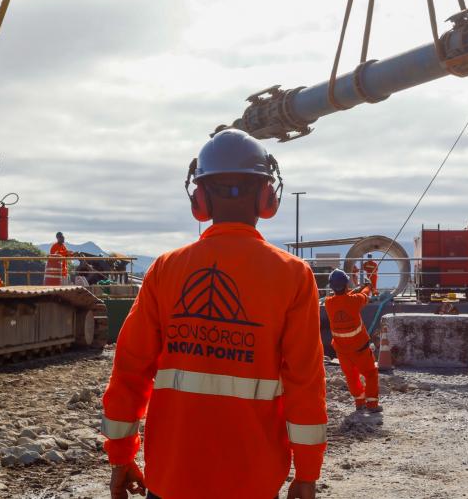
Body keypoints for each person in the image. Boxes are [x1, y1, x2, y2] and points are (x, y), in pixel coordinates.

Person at [101, 129, 327, 499]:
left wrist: (121, 456)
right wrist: (307, 472)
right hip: (253, 480)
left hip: (172, 476)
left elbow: (129, 372)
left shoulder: (164, 269)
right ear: (267, 198)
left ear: (200, 199)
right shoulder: (293, 275)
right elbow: (306, 382)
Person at [323, 269, 381, 413]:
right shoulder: (355, 300)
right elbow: (364, 295)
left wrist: (352, 291)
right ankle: (372, 404)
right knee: (370, 373)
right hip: (360, 348)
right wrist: (367, 286)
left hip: (342, 351)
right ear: (346, 283)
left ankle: (359, 402)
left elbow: (342, 300)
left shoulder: (328, 303)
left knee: (351, 375)